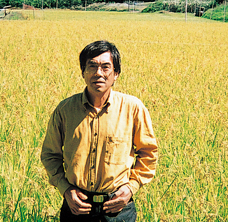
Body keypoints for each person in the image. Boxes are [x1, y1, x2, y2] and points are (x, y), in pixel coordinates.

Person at [41, 40, 158, 222]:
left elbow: (148, 153)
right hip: (76, 207)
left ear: (116, 73)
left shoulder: (133, 108)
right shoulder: (64, 110)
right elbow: (50, 155)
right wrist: (66, 189)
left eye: (105, 67)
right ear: (83, 72)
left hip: (118, 209)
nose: (98, 73)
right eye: (92, 66)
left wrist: (131, 187)